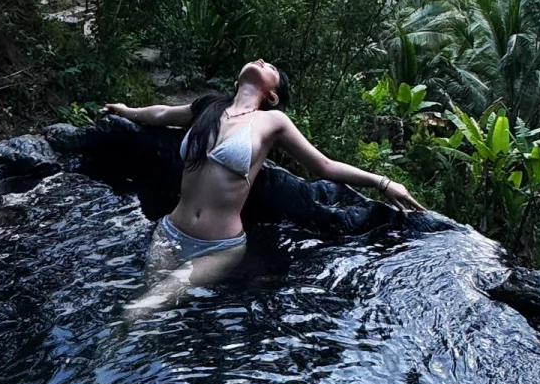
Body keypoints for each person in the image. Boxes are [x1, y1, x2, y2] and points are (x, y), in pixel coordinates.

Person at [102, 58, 424, 312]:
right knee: (146, 302)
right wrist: (126, 111)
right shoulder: (209, 107)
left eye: (270, 67)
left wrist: (384, 182)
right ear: (235, 81)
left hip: (217, 249)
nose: (261, 60)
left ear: (272, 95)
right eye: (260, 61)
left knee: (143, 309)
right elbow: (162, 113)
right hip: (171, 231)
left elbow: (324, 166)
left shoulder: (272, 122)